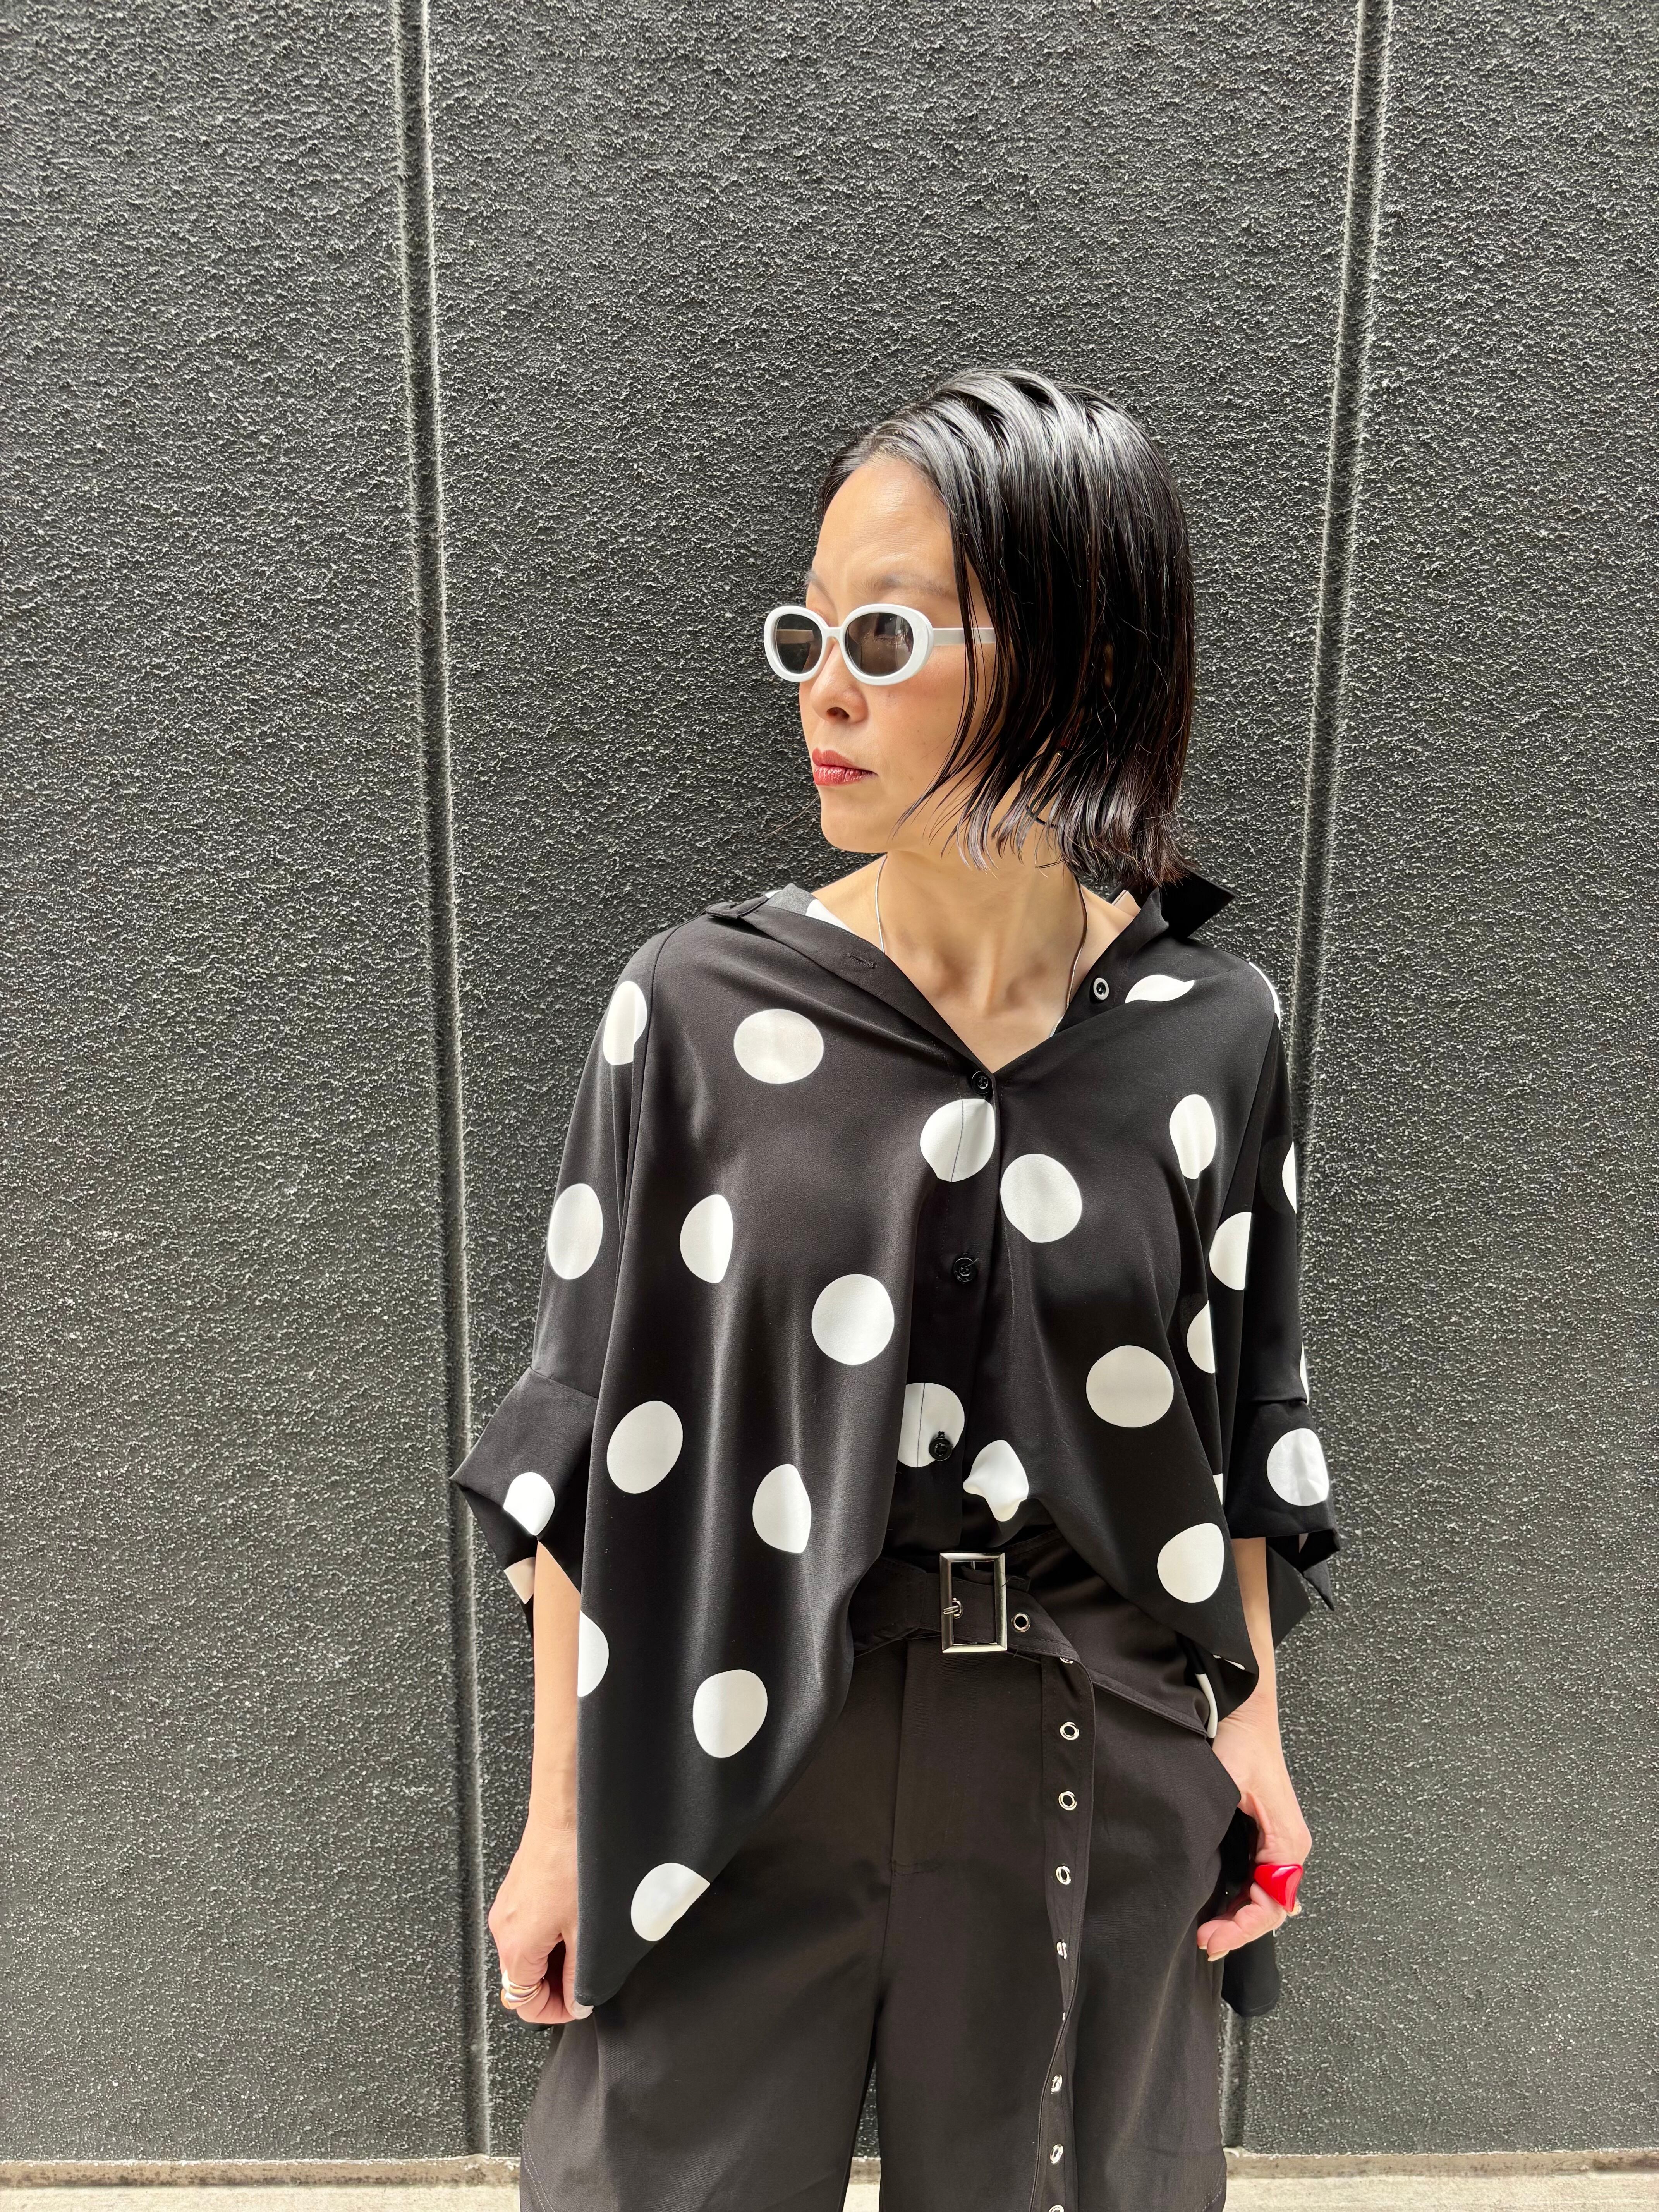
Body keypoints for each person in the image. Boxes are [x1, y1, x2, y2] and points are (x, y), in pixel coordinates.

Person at [451, 364, 1342, 2212]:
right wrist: (559, 1823)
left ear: (1079, 653)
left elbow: (1242, 1426)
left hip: (1093, 1756)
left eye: (883, 635)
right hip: (741, 1747)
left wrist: (1252, 1737)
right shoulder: (696, 1012)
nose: (824, 692)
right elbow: (581, 1446)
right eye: (807, 636)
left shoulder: (1215, 1034)